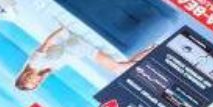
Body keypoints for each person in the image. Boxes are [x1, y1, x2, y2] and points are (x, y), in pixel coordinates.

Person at [15, 25, 153, 91]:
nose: (35, 81)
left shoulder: (35, 62)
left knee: (120, 68)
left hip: (79, 45)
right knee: (122, 67)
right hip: (81, 51)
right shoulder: (42, 71)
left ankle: (152, 49)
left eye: (29, 81)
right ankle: (151, 49)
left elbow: (46, 43)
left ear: (24, 76)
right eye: (34, 84)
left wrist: (62, 30)